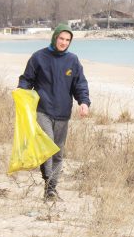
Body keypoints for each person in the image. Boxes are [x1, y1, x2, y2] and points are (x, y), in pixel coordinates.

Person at [18, 23, 90, 200]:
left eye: (67, 40)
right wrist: (22, 93)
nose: (64, 42)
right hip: (42, 110)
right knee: (47, 147)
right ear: (55, 37)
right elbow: (26, 80)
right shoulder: (39, 57)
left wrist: (84, 102)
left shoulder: (73, 60)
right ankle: (48, 184)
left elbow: (80, 84)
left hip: (63, 113)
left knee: (58, 152)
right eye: (61, 38)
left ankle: (51, 187)